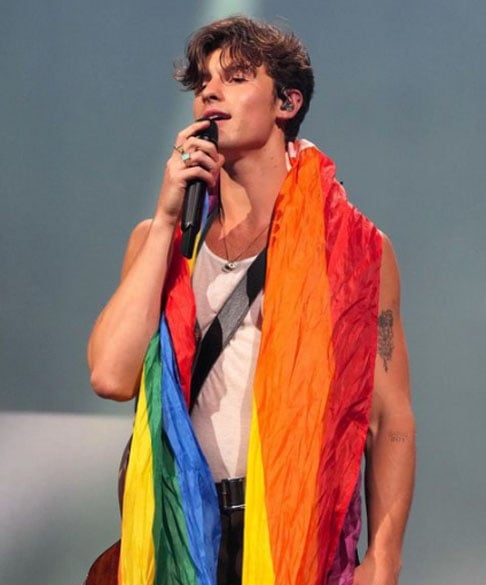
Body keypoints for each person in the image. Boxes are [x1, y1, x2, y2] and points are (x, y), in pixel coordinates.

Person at [87, 15, 415, 585]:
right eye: (203, 83)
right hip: (177, 533)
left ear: (287, 102)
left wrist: (384, 557)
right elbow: (111, 377)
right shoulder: (162, 243)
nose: (210, 92)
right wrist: (165, 220)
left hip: (294, 537)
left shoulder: (355, 250)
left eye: (235, 78)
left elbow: (389, 418)